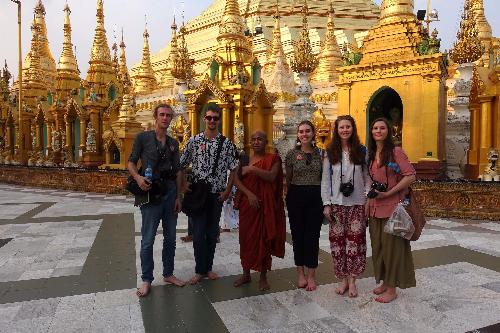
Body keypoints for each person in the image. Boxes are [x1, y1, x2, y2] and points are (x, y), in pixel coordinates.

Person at [128, 104, 185, 297]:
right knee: (148, 239)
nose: (165, 118)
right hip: (150, 192)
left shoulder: (173, 143)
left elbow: (178, 171)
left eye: (168, 115)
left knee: (170, 238)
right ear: (155, 116)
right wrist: (138, 178)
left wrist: (178, 196)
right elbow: (131, 162)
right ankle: (146, 279)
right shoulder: (143, 138)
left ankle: (168, 274)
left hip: (169, 193)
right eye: (162, 115)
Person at [180, 103, 238, 285]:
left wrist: (228, 191)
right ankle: (199, 270)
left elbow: (234, 169)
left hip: (216, 195)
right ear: (204, 119)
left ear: (219, 120)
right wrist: (182, 185)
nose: (212, 121)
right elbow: (181, 164)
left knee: (212, 233)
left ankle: (209, 267)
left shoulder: (227, 143)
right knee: (198, 234)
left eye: (215, 118)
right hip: (198, 194)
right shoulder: (194, 141)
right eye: (209, 117)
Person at [367, 117, 417, 303]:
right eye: (375, 128)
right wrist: (368, 202)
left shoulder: (395, 151)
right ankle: (385, 282)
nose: (378, 131)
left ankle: (392, 288)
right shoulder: (372, 154)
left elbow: (410, 175)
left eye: (382, 128)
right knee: (378, 247)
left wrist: (389, 192)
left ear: (388, 131)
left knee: (392, 249)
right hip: (375, 207)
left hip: (392, 208)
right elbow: (370, 181)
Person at [321, 115, 370, 298]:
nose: (345, 130)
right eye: (341, 127)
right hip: (337, 206)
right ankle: (342, 280)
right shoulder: (330, 152)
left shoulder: (361, 151)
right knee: (338, 245)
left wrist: (366, 197)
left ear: (353, 128)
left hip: (357, 204)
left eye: (348, 127)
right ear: (337, 129)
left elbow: (367, 178)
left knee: (355, 244)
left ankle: (353, 281)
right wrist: (326, 204)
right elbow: (325, 181)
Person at [233, 131, 286, 291]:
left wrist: (251, 170)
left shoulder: (273, 159)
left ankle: (263, 277)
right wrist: (249, 194)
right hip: (248, 205)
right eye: (253, 139)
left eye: (260, 139)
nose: (256, 142)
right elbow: (235, 178)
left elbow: (271, 177)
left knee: (263, 239)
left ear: (266, 142)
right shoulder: (244, 158)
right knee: (246, 239)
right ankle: (246, 273)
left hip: (265, 205)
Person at [285, 120, 324, 291]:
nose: (304, 134)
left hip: (316, 197)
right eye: (301, 131)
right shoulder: (292, 155)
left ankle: (311, 276)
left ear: (313, 133)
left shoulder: (322, 154)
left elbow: (325, 178)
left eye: (308, 131)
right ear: (298, 135)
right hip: (296, 196)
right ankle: (300, 273)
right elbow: (288, 178)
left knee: (312, 237)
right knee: (298, 236)